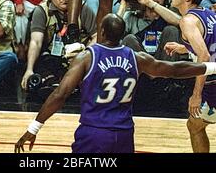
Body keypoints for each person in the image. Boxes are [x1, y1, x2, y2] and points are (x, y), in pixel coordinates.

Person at [15, 12, 216, 154]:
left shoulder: (87, 57)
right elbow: (174, 70)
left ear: (101, 32)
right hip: (124, 133)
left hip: (94, 132)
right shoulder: (138, 58)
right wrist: (212, 67)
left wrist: (33, 128)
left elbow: (60, 95)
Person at [159, 0, 216, 153]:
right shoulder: (208, 14)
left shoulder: (188, 21)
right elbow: (208, 43)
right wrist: (184, 48)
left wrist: (196, 94)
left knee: (195, 126)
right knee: (195, 126)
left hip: (213, 83)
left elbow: (204, 56)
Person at [21, 0, 97, 91]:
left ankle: (66, 85)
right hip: (52, 58)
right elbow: (36, 41)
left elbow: (96, 36)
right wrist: (29, 70)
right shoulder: (41, 11)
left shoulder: (83, 9)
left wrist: (84, 55)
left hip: (78, 57)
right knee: (41, 62)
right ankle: (55, 84)